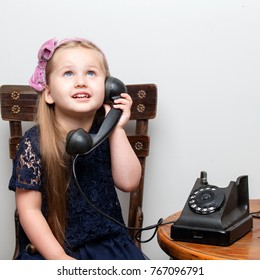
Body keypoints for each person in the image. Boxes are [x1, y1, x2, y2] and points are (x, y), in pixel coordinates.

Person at [8, 37, 145, 260]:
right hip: (52, 250)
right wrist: (60, 260)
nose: (81, 81)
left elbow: (129, 182)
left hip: (108, 246)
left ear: (109, 87)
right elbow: (29, 211)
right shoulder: (34, 143)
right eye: (68, 73)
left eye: (91, 73)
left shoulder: (108, 133)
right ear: (49, 93)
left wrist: (117, 128)